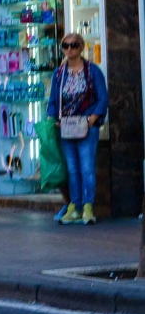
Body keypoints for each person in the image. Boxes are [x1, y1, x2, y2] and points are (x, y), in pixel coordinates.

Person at [47, 32, 108, 225]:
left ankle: (88, 206)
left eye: (73, 45)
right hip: (66, 127)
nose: (69, 49)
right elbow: (53, 100)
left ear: (81, 47)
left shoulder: (92, 71)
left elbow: (103, 97)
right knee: (72, 170)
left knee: (87, 168)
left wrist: (92, 119)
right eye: (65, 45)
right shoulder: (59, 73)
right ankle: (75, 206)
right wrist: (52, 119)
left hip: (86, 126)